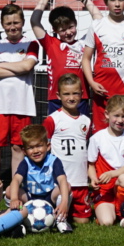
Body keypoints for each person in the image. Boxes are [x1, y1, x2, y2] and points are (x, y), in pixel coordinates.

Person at [0, 3, 39, 181]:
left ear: (23, 22)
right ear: (2, 24)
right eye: (8, 23)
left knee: (18, 148)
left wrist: (1, 65)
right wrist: (18, 68)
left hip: (22, 106)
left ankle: (16, 188)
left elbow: (27, 65)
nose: (12, 27)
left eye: (16, 22)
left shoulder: (31, 44)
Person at [83, 0, 124, 131]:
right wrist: (91, 83)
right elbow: (86, 58)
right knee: (100, 138)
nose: (117, 4)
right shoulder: (96, 26)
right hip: (102, 94)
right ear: (105, 2)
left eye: (121, 0)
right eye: (113, 0)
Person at [43, 73, 93, 225]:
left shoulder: (86, 121)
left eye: (75, 93)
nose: (71, 98)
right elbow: (44, 147)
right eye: (66, 94)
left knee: (82, 221)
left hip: (81, 181)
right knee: (55, 218)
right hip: (60, 182)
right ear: (58, 95)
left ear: (82, 94)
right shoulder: (52, 119)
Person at [30, 0, 87, 114]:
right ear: (55, 30)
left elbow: (99, 22)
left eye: (71, 27)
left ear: (76, 24)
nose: (68, 32)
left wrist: (85, 0)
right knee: (56, 134)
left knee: (81, 133)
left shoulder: (85, 42)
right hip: (56, 99)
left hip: (81, 97)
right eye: (63, 30)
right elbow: (34, 21)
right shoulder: (50, 43)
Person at [6, 123, 72, 234]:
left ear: (48, 146)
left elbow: (62, 180)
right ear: (24, 151)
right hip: (30, 197)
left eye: (39, 146)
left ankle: (61, 219)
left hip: (49, 197)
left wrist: (64, 202)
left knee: (67, 186)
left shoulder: (54, 161)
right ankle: (16, 221)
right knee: (9, 190)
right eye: (31, 148)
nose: (36, 151)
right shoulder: (25, 163)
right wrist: (13, 198)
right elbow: (16, 180)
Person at [88, 93, 124, 226]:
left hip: (121, 185)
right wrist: (93, 179)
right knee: (107, 222)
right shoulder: (97, 138)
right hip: (104, 189)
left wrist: (111, 174)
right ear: (106, 114)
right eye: (116, 115)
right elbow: (91, 165)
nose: (120, 120)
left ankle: (122, 211)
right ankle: (109, 214)